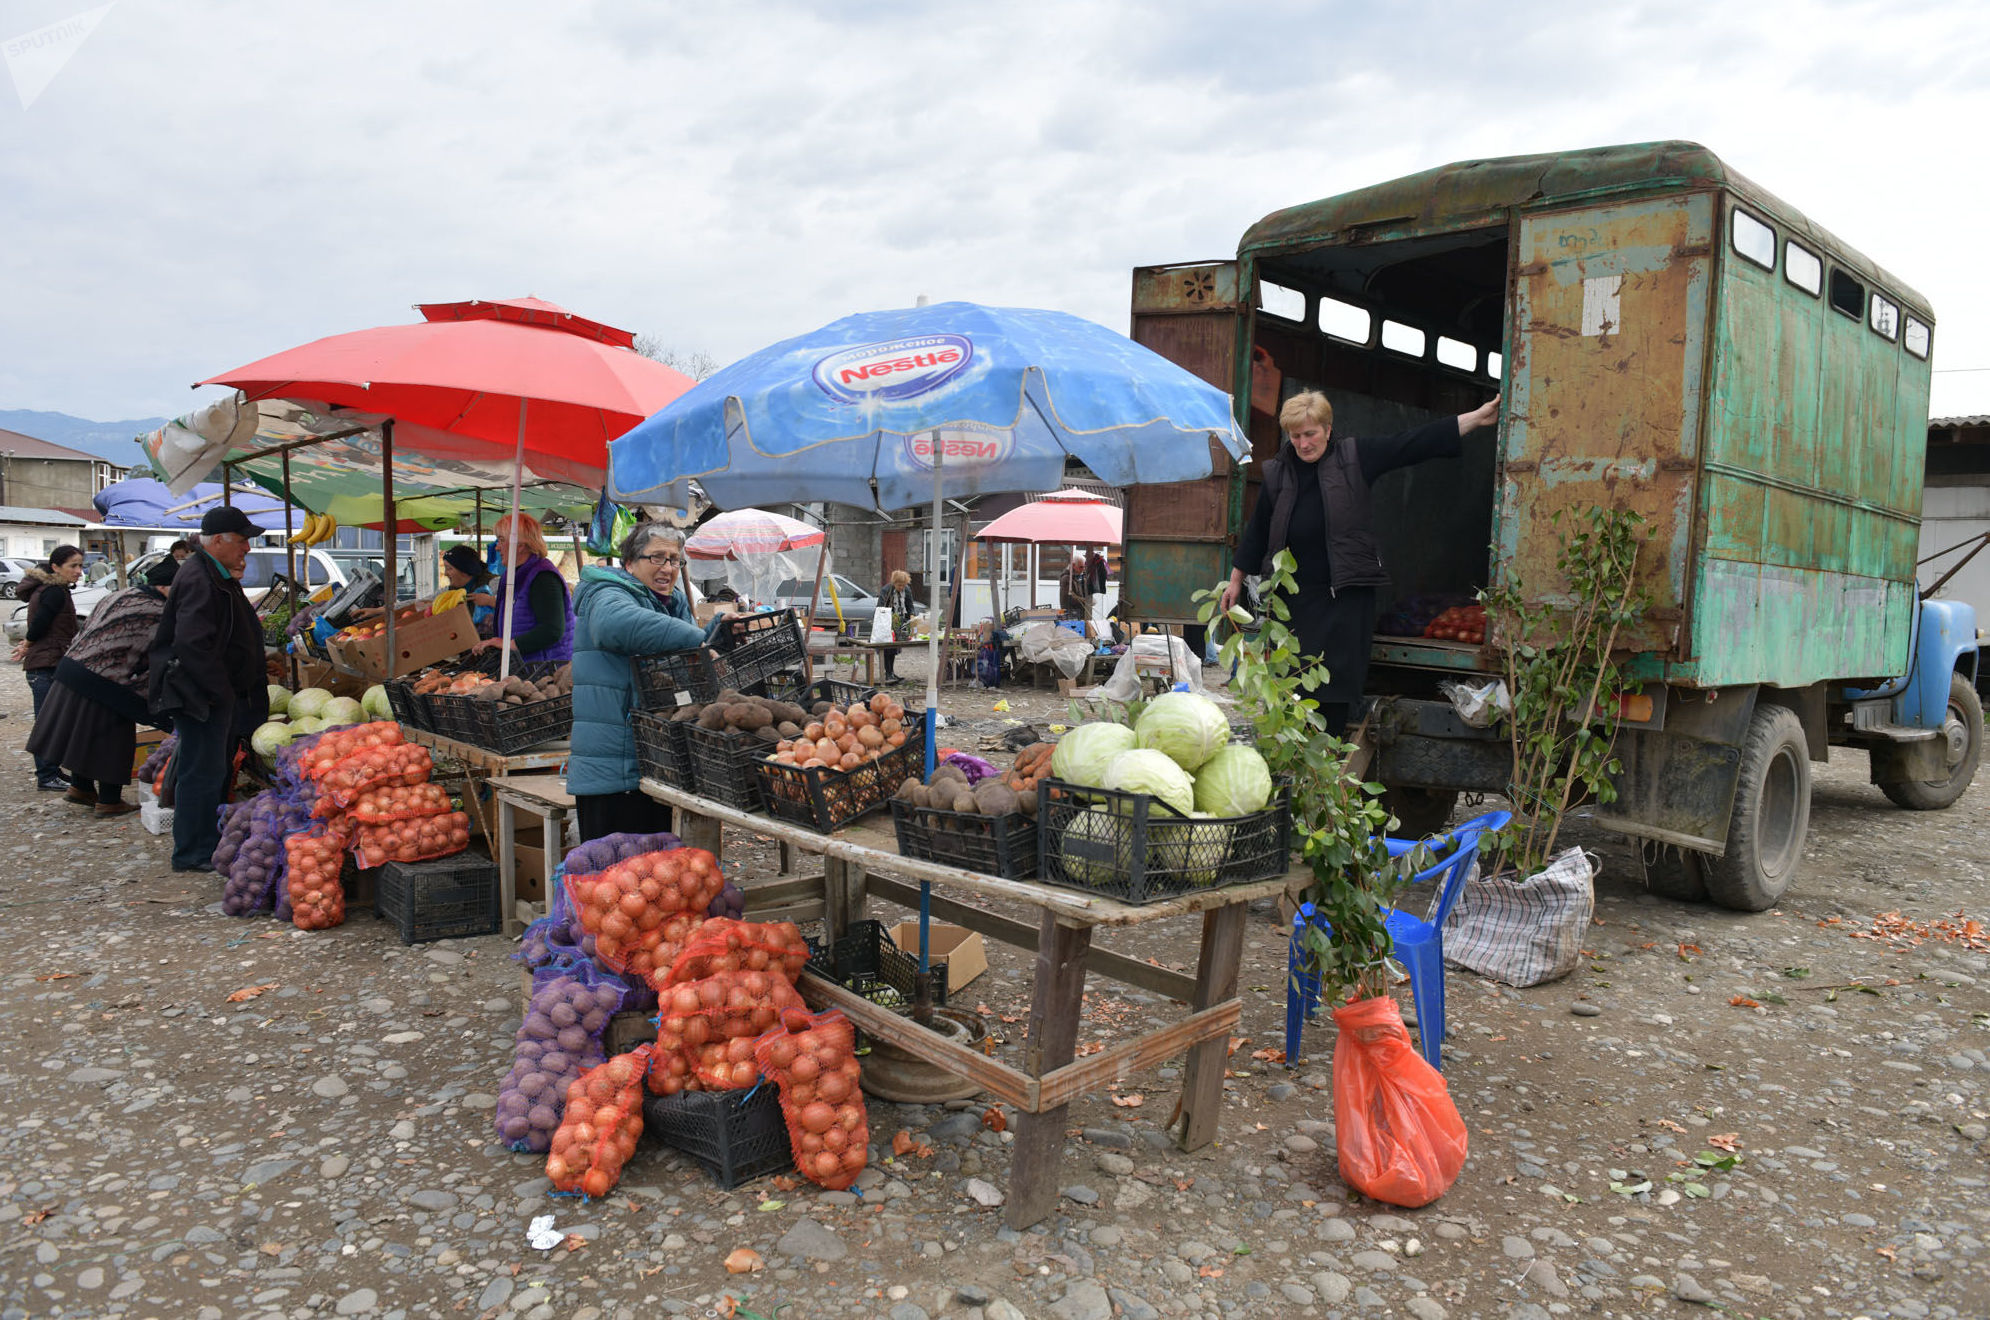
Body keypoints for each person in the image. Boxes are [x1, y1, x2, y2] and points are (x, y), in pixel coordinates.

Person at [1221, 390, 1501, 736]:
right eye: (1296, 436)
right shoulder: (1278, 473)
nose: (1304, 444)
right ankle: (1292, 766)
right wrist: (1236, 580)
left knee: (1333, 692)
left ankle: (1327, 766)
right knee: (1290, 686)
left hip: (1345, 599)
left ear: (1327, 428)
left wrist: (1475, 418)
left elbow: (1409, 444)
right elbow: (1258, 530)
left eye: (1310, 434)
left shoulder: (1354, 457)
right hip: (1293, 601)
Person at [568, 523, 722, 842]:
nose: (667, 568)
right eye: (657, 558)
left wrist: (720, 628)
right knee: (611, 880)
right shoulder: (607, 593)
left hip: (653, 766)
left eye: (674, 560)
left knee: (655, 879)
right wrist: (697, 638)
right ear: (630, 563)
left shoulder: (670, 603)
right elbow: (615, 625)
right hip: (614, 772)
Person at [149, 507, 270, 871]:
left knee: (209, 771)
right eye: (242, 540)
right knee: (201, 774)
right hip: (200, 695)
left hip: (210, 693)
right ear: (217, 540)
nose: (247, 548)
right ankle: (193, 852)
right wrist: (221, 693)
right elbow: (193, 645)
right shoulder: (200, 577)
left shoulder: (215, 573)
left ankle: (204, 844)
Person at [28, 559, 177, 817]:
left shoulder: (121, 595)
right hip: (106, 679)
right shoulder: (156, 610)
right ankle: (109, 801)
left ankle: (81, 788)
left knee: (82, 733)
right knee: (112, 739)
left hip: (74, 667)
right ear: (166, 587)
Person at [13, 545, 85, 791]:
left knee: (54, 719)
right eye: (73, 566)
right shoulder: (54, 591)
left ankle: (52, 771)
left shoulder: (55, 590)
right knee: (46, 721)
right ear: (55, 567)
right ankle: (46, 775)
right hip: (45, 665)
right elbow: (41, 623)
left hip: (49, 661)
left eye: (80, 565)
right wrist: (27, 644)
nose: (79, 571)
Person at [474, 512, 575, 664]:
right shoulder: (512, 575)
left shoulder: (543, 577)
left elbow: (552, 630)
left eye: (501, 540)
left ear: (520, 545)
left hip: (545, 671)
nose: (497, 547)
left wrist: (509, 645)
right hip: (524, 667)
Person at [440, 544, 499, 634]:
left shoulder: (494, 584)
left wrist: (490, 601)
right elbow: (423, 602)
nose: (445, 573)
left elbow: (515, 606)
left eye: (449, 569)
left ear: (465, 571)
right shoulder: (449, 591)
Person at [877, 569, 915, 683]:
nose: (901, 587)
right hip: (887, 623)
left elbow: (910, 605)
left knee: (894, 649)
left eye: (903, 585)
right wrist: (889, 618)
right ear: (894, 583)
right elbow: (880, 607)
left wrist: (912, 616)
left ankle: (891, 672)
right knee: (887, 648)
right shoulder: (886, 590)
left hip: (900, 623)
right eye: (899, 585)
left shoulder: (907, 590)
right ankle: (888, 673)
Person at [1058, 552, 1089, 620]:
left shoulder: (1079, 576)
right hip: (1070, 614)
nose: (1083, 569)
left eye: (1084, 567)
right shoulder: (1066, 578)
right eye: (1081, 567)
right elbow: (1070, 598)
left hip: (1079, 612)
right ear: (1073, 565)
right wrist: (1085, 600)